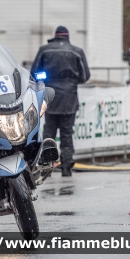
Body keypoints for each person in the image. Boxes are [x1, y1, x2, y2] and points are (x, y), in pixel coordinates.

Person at [30, 26, 90, 177]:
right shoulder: (77, 51)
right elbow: (85, 77)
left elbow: (34, 73)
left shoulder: (44, 50)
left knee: (49, 132)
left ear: (55, 37)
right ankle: (66, 167)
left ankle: (46, 167)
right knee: (67, 134)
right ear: (67, 37)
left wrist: (47, 79)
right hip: (69, 99)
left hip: (50, 97)